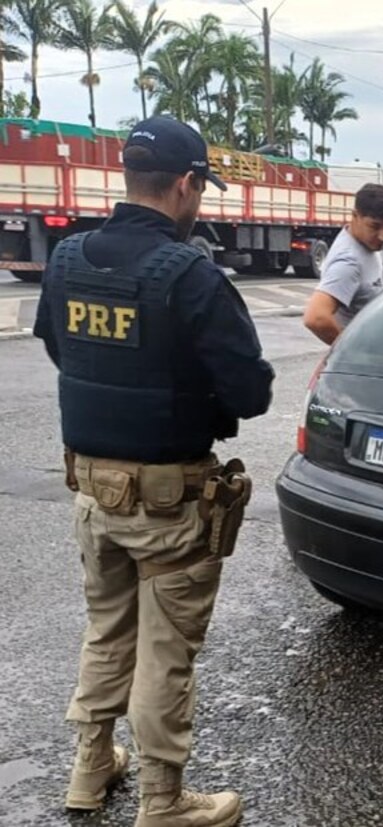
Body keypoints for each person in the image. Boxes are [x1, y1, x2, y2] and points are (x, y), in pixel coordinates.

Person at [33, 115, 275, 826]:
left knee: (107, 629)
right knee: (166, 649)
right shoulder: (190, 274)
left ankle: (90, 768)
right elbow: (251, 392)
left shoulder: (68, 258)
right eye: (202, 185)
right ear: (186, 183)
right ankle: (163, 802)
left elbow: (60, 348)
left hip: (91, 491)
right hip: (169, 502)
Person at [302, 183, 383, 345]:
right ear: (355, 216)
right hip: (364, 361)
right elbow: (316, 317)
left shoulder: (367, 245)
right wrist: (350, 351)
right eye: (374, 226)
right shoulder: (349, 262)